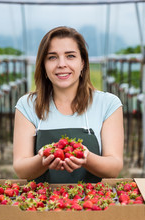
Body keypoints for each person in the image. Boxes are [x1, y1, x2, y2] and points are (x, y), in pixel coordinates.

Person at [13, 26, 124, 184]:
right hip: (41, 204)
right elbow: (20, 169)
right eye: (52, 57)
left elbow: (114, 168)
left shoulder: (108, 104)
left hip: (92, 204)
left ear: (83, 63)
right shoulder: (28, 105)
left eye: (70, 56)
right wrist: (42, 160)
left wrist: (87, 158)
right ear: (43, 66)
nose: (61, 64)